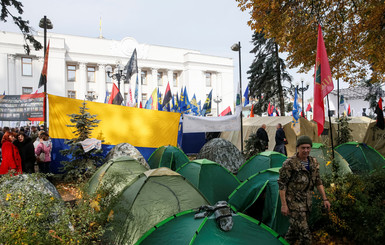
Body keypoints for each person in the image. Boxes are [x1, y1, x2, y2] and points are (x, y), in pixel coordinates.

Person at [278, 136, 331, 245]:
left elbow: (318, 181)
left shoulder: (313, 162)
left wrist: (325, 199)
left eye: (308, 148)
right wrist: (284, 205)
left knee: (293, 232)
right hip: (294, 204)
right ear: (297, 148)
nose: (306, 150)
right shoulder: (289, 163)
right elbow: (282, 185)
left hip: (307, 203)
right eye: (303, 148)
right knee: (305, 235)